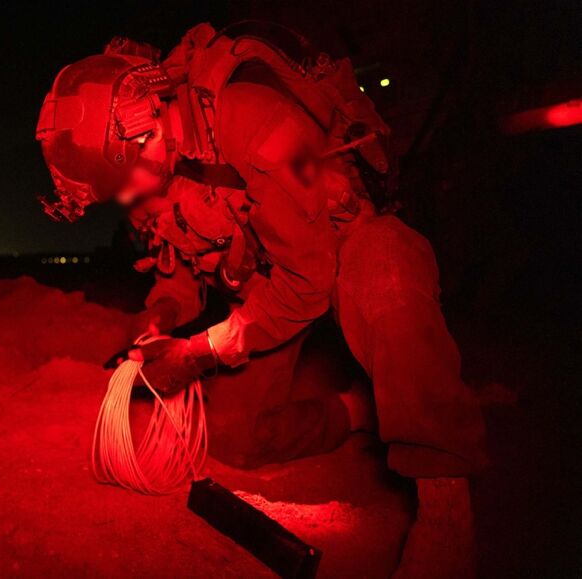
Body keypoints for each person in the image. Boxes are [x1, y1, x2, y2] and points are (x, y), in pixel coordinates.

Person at [36, 23, 485, 578]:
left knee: (387, 280)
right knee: (237, 440)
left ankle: (444, 507)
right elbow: (182, 268)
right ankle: (361, 410)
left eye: (131, 176)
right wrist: (164, 315)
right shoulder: (148, 171)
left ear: (145, 121)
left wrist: (200, 352)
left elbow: (307, 283)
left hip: (339, 250)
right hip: (266, 288)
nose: (134, 195)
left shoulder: (257, 120)